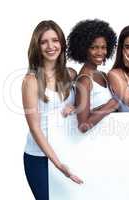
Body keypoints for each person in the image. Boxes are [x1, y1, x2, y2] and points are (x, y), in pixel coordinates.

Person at [22, 20, 83, 200]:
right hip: (40, 158)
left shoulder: (71, 74)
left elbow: (85, 103)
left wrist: (75, 106)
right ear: (37, 47)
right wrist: (57, 164)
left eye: (55, 40)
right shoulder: (30, 81)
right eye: (44, 42)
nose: (51, 46)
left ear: (62, 43)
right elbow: (35, 128)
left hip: (68, 151)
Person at [67, 19, 118, 133]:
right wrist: (110, 106)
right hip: (92, 143)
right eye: (93, 47)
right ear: (83, 49)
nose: (100, 52)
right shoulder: (84, 80)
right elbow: (83, 126)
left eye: (103, 47)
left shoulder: (103, 75)